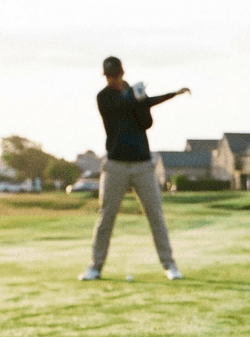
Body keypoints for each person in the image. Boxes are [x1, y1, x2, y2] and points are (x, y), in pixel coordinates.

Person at [80, 56, 191, 281]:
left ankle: (169, 265)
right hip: (115, 165)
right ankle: (95, 266)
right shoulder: (104, 97)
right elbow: (121, 109)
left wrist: (148, 99)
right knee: (106, 217)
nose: (113, 79)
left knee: (155, 215)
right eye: (109, 76)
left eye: (115, 74)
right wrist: (143, 98)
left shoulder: (135, 95)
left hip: (142, 164)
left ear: (122, 72)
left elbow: (146, 123)